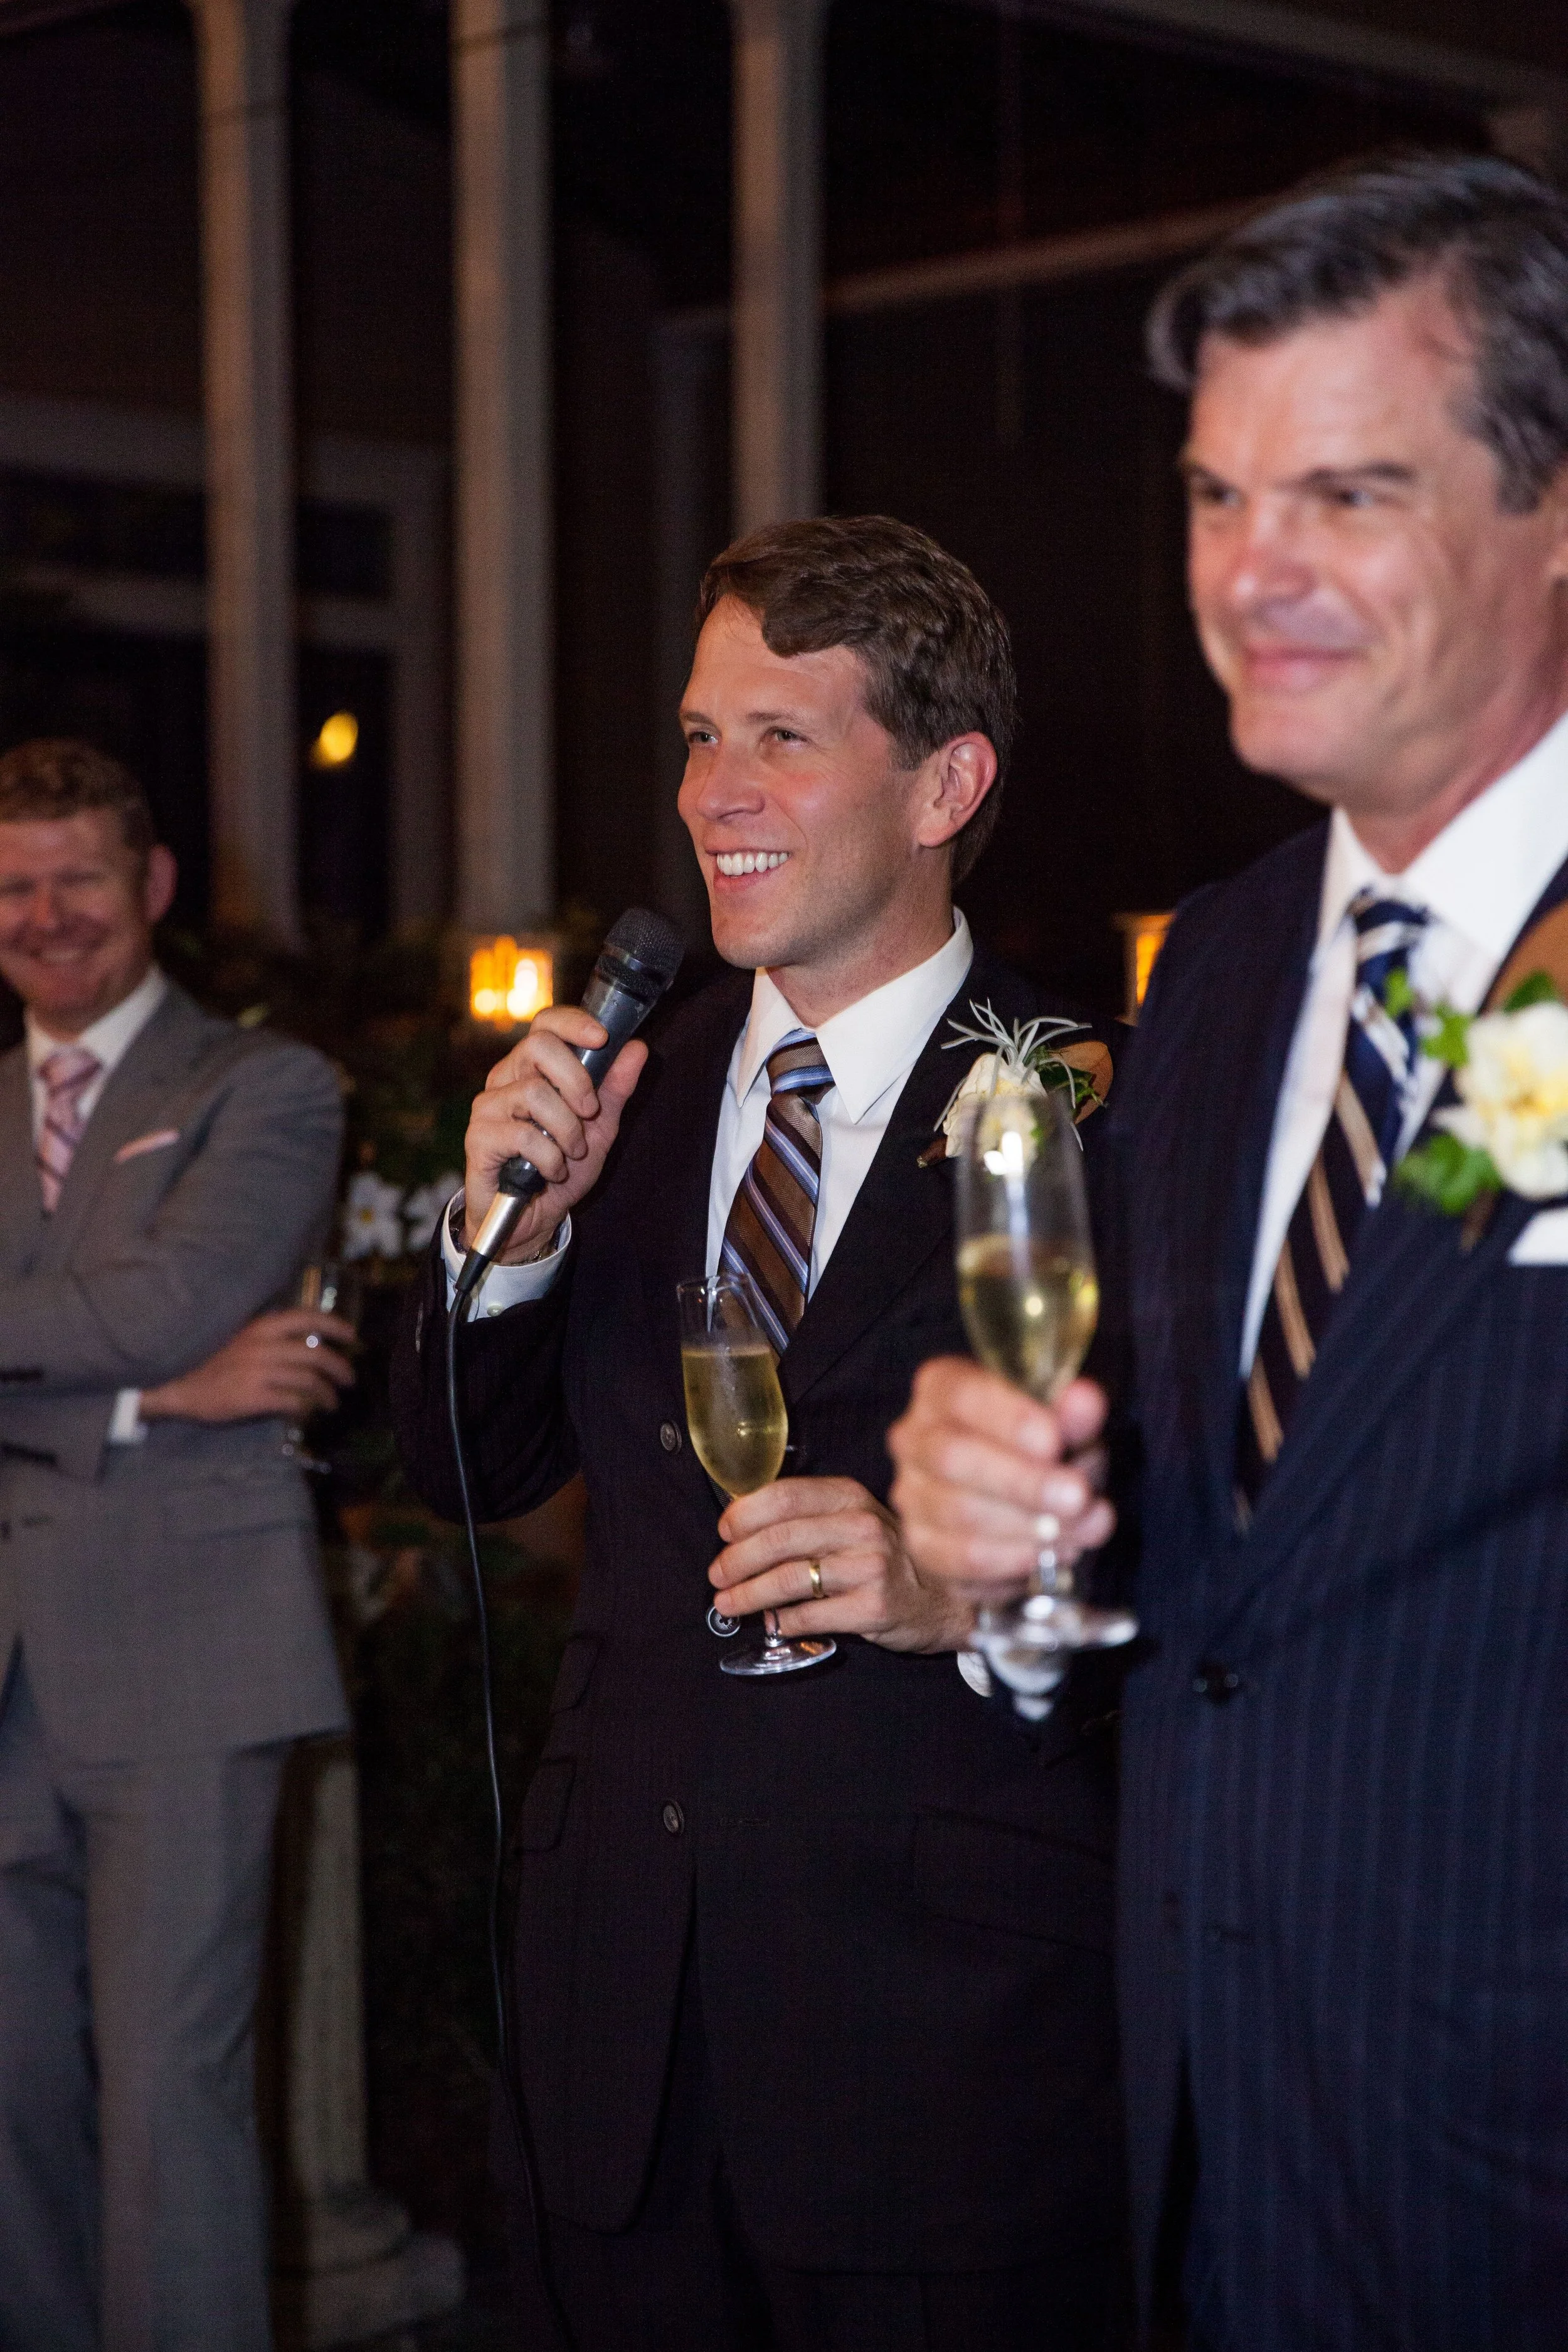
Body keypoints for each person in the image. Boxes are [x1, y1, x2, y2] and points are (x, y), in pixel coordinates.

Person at [887, 154, 1568, 2352]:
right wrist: (1005, 1567)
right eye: (1210, 495)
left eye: (1348, 495)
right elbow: (1231, 1591)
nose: (1249, 576)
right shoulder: (1227, 961)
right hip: (1211, 2168)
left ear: (1553, 512)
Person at [391, 517, 1129, 2348]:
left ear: (945, 779)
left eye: (780, 738)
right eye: (699, 734)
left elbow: (1209, 1534)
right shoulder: (617, 1095)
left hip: (945, 2036)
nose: (711, 789)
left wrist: (962, 1583)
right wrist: (506, 1248)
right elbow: (463, 1471)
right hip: (614, 2024)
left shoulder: (1103, 1102)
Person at [0, 738, 356, 2351]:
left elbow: (175, 1302)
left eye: (79, 875)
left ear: (150, 888)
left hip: (186, 1670)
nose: (47, 913)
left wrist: (158, 1359)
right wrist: (150, 1406)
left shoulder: (264, 1088)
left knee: (169, 2124)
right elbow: (153, 1351)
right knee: (12, 2134)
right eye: (14, 884)